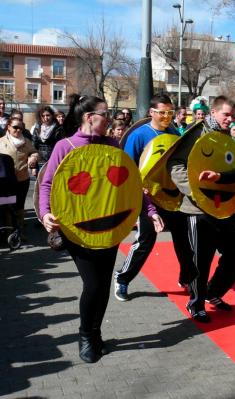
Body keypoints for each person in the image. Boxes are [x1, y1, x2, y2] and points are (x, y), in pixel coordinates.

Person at [39, 94, 163, 363]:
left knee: (103, 285)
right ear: (89, 117)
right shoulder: (65, 146)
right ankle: (85, 336)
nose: (111, 118)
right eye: (105, 114)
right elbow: (48, 183)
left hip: (110, 226)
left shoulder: (113, 145)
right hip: (77, 228)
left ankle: (95, 334)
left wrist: (150, 212)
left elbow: (132, 183)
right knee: (92, 284)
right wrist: (46, 213)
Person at [168, 95, 235, 323]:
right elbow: (176, 165)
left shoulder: (227, 139)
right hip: (197, 211)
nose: (230, 119)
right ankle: (196, 302)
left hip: (223, 207)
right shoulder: (195, 134)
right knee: (200, 260)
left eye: (232, 115)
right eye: (226, 115)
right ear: (213, 113)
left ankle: (213, 292)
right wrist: (196, 192)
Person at [114, 94, 195, 302]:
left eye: (169, 112)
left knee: (184, 240)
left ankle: (187, 278)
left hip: (173, 196)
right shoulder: (139, 135)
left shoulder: (175, 133)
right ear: (151, 112)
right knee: (145, 241)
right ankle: (122, 278)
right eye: (162, 112)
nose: (166, 116)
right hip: (148, 198)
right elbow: (128, 168)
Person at [0, 117, 38, 235]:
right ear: (8, 127)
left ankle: (20, 231)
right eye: (16, 127)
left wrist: (33, 157)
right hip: (6, 181)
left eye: (21, 128)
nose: (19, 130)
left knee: (19, 206)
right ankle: (9, 231)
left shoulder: (26, 141)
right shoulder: (1, 141)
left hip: (22, 180)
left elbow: (35, 152)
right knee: (7, 204)